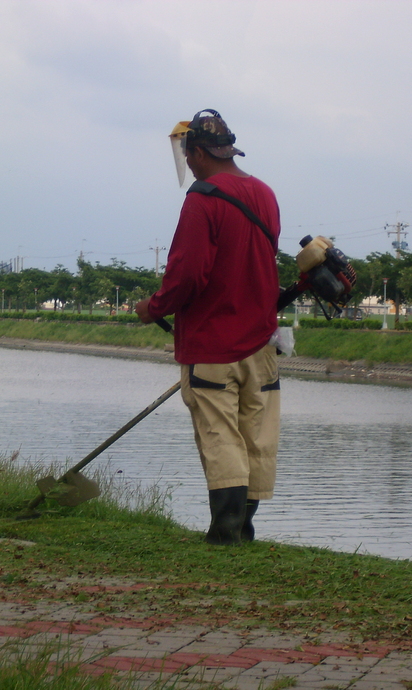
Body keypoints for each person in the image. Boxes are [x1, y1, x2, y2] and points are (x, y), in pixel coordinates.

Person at [134, 109, 281, 545]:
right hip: (263, 344)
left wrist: (151, 307)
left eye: (190, 156)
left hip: (214, 346)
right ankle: (244, 529)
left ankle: (226, 532)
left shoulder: (203, 198)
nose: (190, 165)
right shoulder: (265, 194)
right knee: (256, 435)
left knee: (221, 438)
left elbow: (187, 275)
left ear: (198, 152)